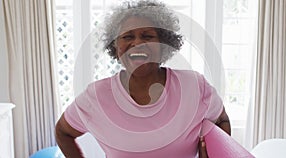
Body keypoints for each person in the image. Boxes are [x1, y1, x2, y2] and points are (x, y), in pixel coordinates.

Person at [55, 0, 231, 158]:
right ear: (116, 47)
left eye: (147, 36)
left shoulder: (194, 86)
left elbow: (222, 120)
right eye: (127, 36)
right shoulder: (96, 96)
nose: (137, 43)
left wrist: (215, 153)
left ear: (164, 45)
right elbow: (63, 132)